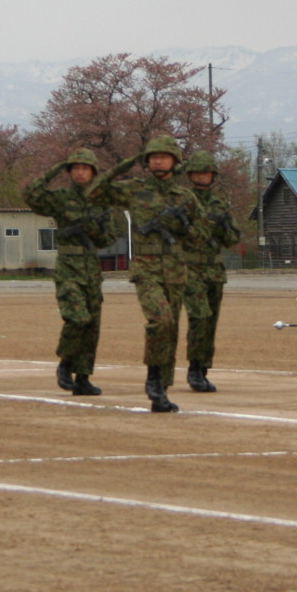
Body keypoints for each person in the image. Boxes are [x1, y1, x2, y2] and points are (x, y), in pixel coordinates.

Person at [89, 135, 201, 413]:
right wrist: (125, 163)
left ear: (175, 161)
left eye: (163, 156)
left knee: (171, 330)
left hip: (175, 271)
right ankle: (153, 379)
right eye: (152, 157)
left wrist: (182, 226)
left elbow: (202, 235)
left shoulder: (185, 197)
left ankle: (161, 390)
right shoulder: (134, 189)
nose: (157, 160)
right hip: (147, 269)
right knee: (160, 320)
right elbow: (94, 192)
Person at [23, 149, 116, 396]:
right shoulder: (61, 197)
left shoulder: (101, 201)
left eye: (85, 168)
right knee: (77, 318)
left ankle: (83, 377)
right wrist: (55, 168)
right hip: (68, 265)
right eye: (75, 168)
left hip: (91, 267)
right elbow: (31, 195)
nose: (80, 172)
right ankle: (65, 363)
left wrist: (91, 228)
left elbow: (108, 237)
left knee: (92, 325)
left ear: (93, 172)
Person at [181, 150, 240, 392]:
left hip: (213, 270)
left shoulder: (218, 204)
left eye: (206, 172)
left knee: (211, 320)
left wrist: (224, 228)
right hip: (189, 268)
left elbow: (233, 236)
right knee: (200, 317)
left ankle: (204, 367)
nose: (202, 176)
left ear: (212, 176)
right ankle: (194, 368)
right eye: (197, 172)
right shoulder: (182, 201)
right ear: (190, 174)